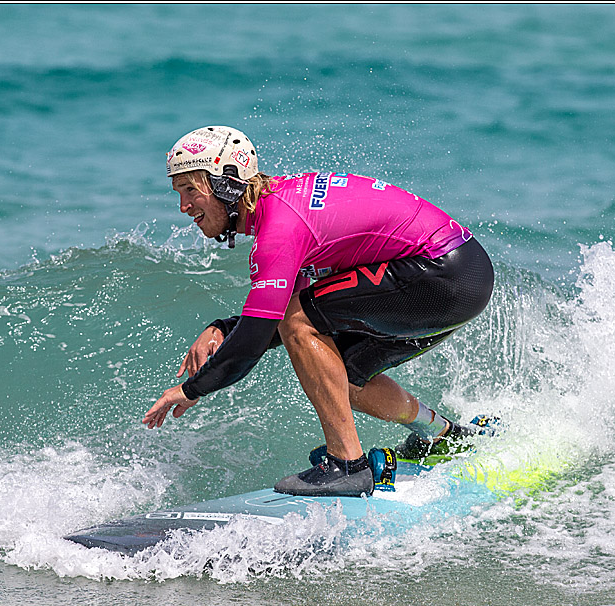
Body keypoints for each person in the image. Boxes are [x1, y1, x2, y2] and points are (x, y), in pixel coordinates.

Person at [142, 125, 494, 497]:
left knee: (300, 321)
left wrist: (193, 388)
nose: (183, 207)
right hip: (461, 275)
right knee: (340, 374)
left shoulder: (279, 227)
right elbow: (268, 318)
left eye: (190, 191)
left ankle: (346, 464)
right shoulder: (282, 206)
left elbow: (259, 337)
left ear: (227, 184)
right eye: (178, 193)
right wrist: (222, 328)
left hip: (439, 273)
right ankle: (444, 436)